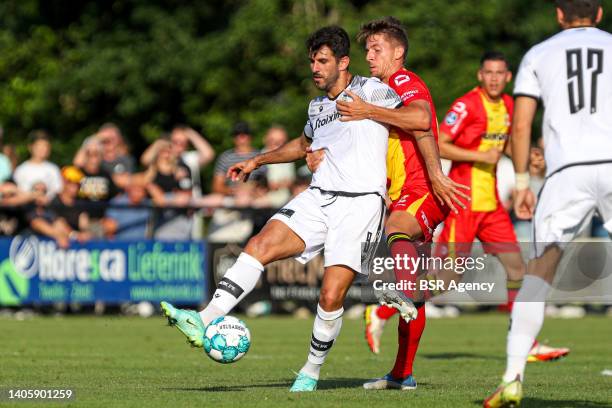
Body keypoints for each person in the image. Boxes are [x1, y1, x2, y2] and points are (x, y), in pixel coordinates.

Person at [161, 25, 403, 392]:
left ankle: (311, 371)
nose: (315, 68)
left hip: (361, 204)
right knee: (258, 245)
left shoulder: (374, 91)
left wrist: (372, 114)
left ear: (343, 61)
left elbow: (419, 119)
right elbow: (302, 144)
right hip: (319, 196)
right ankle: (204, 318)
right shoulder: (318, 106)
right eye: (312, 61)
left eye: (322, 61)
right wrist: (257, 161)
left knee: (330, 295)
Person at [319, 17, 468, 391]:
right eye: (366, 49)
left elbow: (421, 118)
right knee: (415, 294)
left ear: (398, 53)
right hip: (407, 192)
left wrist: (434, 174)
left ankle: (398, 296)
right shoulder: (379, 91)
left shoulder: (401, 80)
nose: (368, 56)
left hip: (421, 191)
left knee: (396, 229)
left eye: (376, 49)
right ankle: (402, 374)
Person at [484, 1, 612, 406]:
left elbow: (521, 124)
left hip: (564, 172)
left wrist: (523, 181)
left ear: (559, 15)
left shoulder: (538, 53)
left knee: (539, 271)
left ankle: (512, 377)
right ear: (599, 14)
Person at [437, 51, 567, 360]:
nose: (494, 78)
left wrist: (527, 155)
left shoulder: (509, 105)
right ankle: (382, 312)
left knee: (517, 270)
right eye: (489, 73)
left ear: (508, 77)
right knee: (446, 278)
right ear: (479, 75)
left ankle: (525, 343)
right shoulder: (465, 105)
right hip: (463, 203)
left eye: (500, 73)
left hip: (492, 206)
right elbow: (440, 142)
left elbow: (507, 143)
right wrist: (480, 156)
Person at [13, 130, 62, 198]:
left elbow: (58, 190)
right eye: (40, 146)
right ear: (30, 147)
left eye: (46, 146)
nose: (43, 149)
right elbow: (18, 192)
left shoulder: (53, 169)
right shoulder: (21, 170)